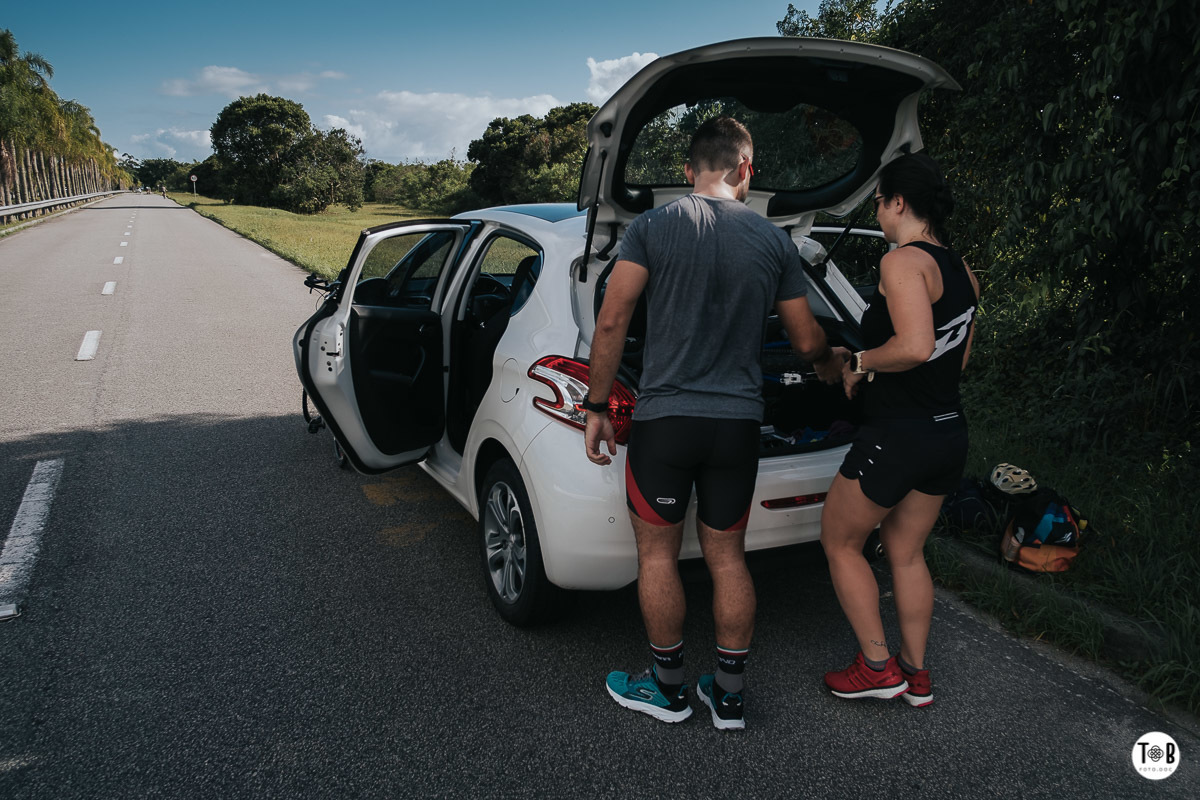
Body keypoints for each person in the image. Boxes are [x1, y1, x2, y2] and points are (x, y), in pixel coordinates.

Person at [583, 117, 843, 730]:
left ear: (686, 171)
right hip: (737, 426)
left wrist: (597, 407)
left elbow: (613, 322)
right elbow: (806, 341)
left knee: (658, 559)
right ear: (746, 170)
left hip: (666, 423)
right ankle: (728, 695)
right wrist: (835, 363)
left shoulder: (651, 227)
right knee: (728, 558)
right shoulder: (773, 240)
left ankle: (667, 690)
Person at [820, 152, 980, 708]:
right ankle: (916, 676)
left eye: (880, 202)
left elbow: (914, 347)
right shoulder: (962, 269)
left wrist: (861, 362)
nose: (879, 213)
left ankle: (875, 668)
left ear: (898, 202)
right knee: (907, 553)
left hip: (898, 436)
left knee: (840, 541)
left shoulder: (902, 262)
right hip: (946, 432)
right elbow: (954, 359)